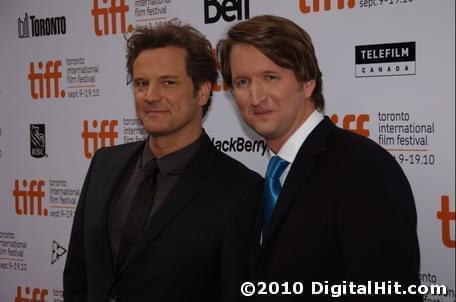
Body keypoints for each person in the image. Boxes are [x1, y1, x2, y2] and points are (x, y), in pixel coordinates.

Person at [217, 15, 422, 301]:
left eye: (270, 77)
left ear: (307, 82)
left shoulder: (364, 170)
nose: (256, 96)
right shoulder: (268, 178)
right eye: (242, 82)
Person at [63, 20, 262, 302]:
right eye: (142, 84)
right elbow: (77, 272)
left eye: (168, 82)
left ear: (203, 91)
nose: (151, 96)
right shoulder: (104, 163)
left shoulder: (241, 189)